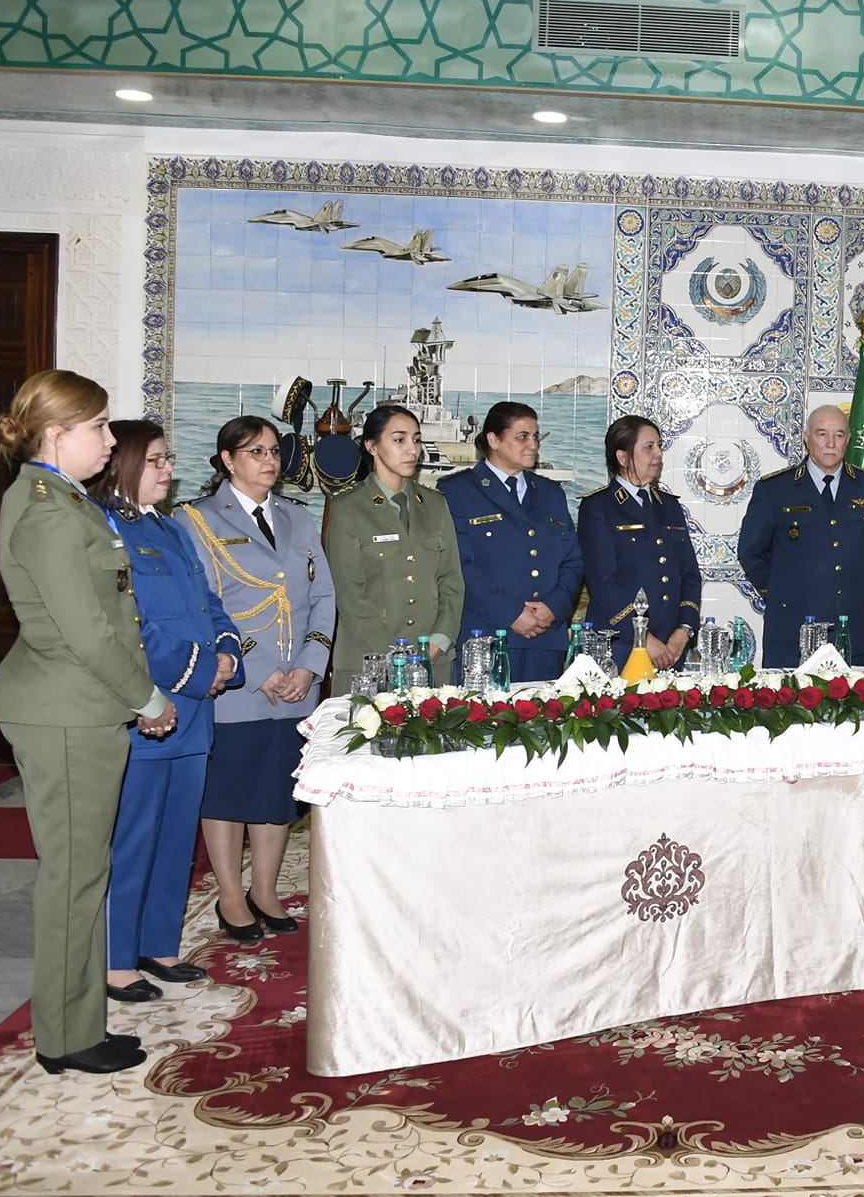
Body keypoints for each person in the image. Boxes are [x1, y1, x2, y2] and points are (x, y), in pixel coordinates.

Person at [0, 369, 173, 1075]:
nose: (110, 437)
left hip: (81, 705)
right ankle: (64, 1036)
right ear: (56, 435)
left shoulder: (63, 499)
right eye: (97, 426)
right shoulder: (50, 510)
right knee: (72, 877)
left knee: (85, 872)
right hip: (66, 708)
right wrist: (148, 698)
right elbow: (87, 632)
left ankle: (79, 1021)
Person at [93, 422, 241, 1004]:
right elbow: (128, 624)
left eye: (168, 459)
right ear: (123, 463)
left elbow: (208, 601)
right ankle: (115, 958)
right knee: (134, 834)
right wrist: (200, 671)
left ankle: (158, 944)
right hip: (152, 704)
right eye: (154, 460)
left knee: (177, 835)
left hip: (194, 707)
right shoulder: (106, 528)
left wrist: (228, 650)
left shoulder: (168, 527)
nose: (166, 470)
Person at [179, 416, 334, 941]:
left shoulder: (298, 517)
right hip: (240, 685)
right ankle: (228, 894)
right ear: (227, 460)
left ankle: (264, 890)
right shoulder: (197, 521)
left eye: (273, 451)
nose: (269, 461)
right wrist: (264, 669)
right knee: (227, 793)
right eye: (254, 452)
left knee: (275, 793)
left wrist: (311, 665)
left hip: (297, 685)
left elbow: (322, 598)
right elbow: (206, 606)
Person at [738, 405, 864, 666]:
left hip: (851, 627)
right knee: (788, 705)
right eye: (822, 434)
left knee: (850, 705)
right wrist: (782, 591)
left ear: (849, 439)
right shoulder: (775, 490)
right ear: (806, 437)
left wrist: (848, 579)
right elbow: (751, 551)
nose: (831, 443)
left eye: (839, 435)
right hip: (791, 630)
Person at [323, 405, 463, 691]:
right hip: (368, 662)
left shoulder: (436, 504)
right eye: (399, 440)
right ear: (372, 446)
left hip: (432, 662)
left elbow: (451, 581)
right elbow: (349, 593)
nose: (412, 449)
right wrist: (393, 653)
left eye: (416, 439)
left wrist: (439, 640)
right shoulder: (347, 508)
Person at [443, 401, 583, 682]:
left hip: (546, 640)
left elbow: (573, 561)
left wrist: (554, 607)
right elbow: (460, 565)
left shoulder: (550, 493)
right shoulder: (457, 491)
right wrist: (512, 614)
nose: (533, 445)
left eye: (535, 436)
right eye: (522, 437)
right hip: (487, 639)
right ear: (494, 439)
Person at [578, 413, 702, 668]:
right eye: (649, 447)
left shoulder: (669, 505)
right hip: (622, 644)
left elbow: (690, 574)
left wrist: (684, 631)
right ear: (622, 457)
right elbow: (603, 584)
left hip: (670, 646)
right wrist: (643, 637)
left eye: (658, 446)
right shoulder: (598, 506)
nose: (658, 454)